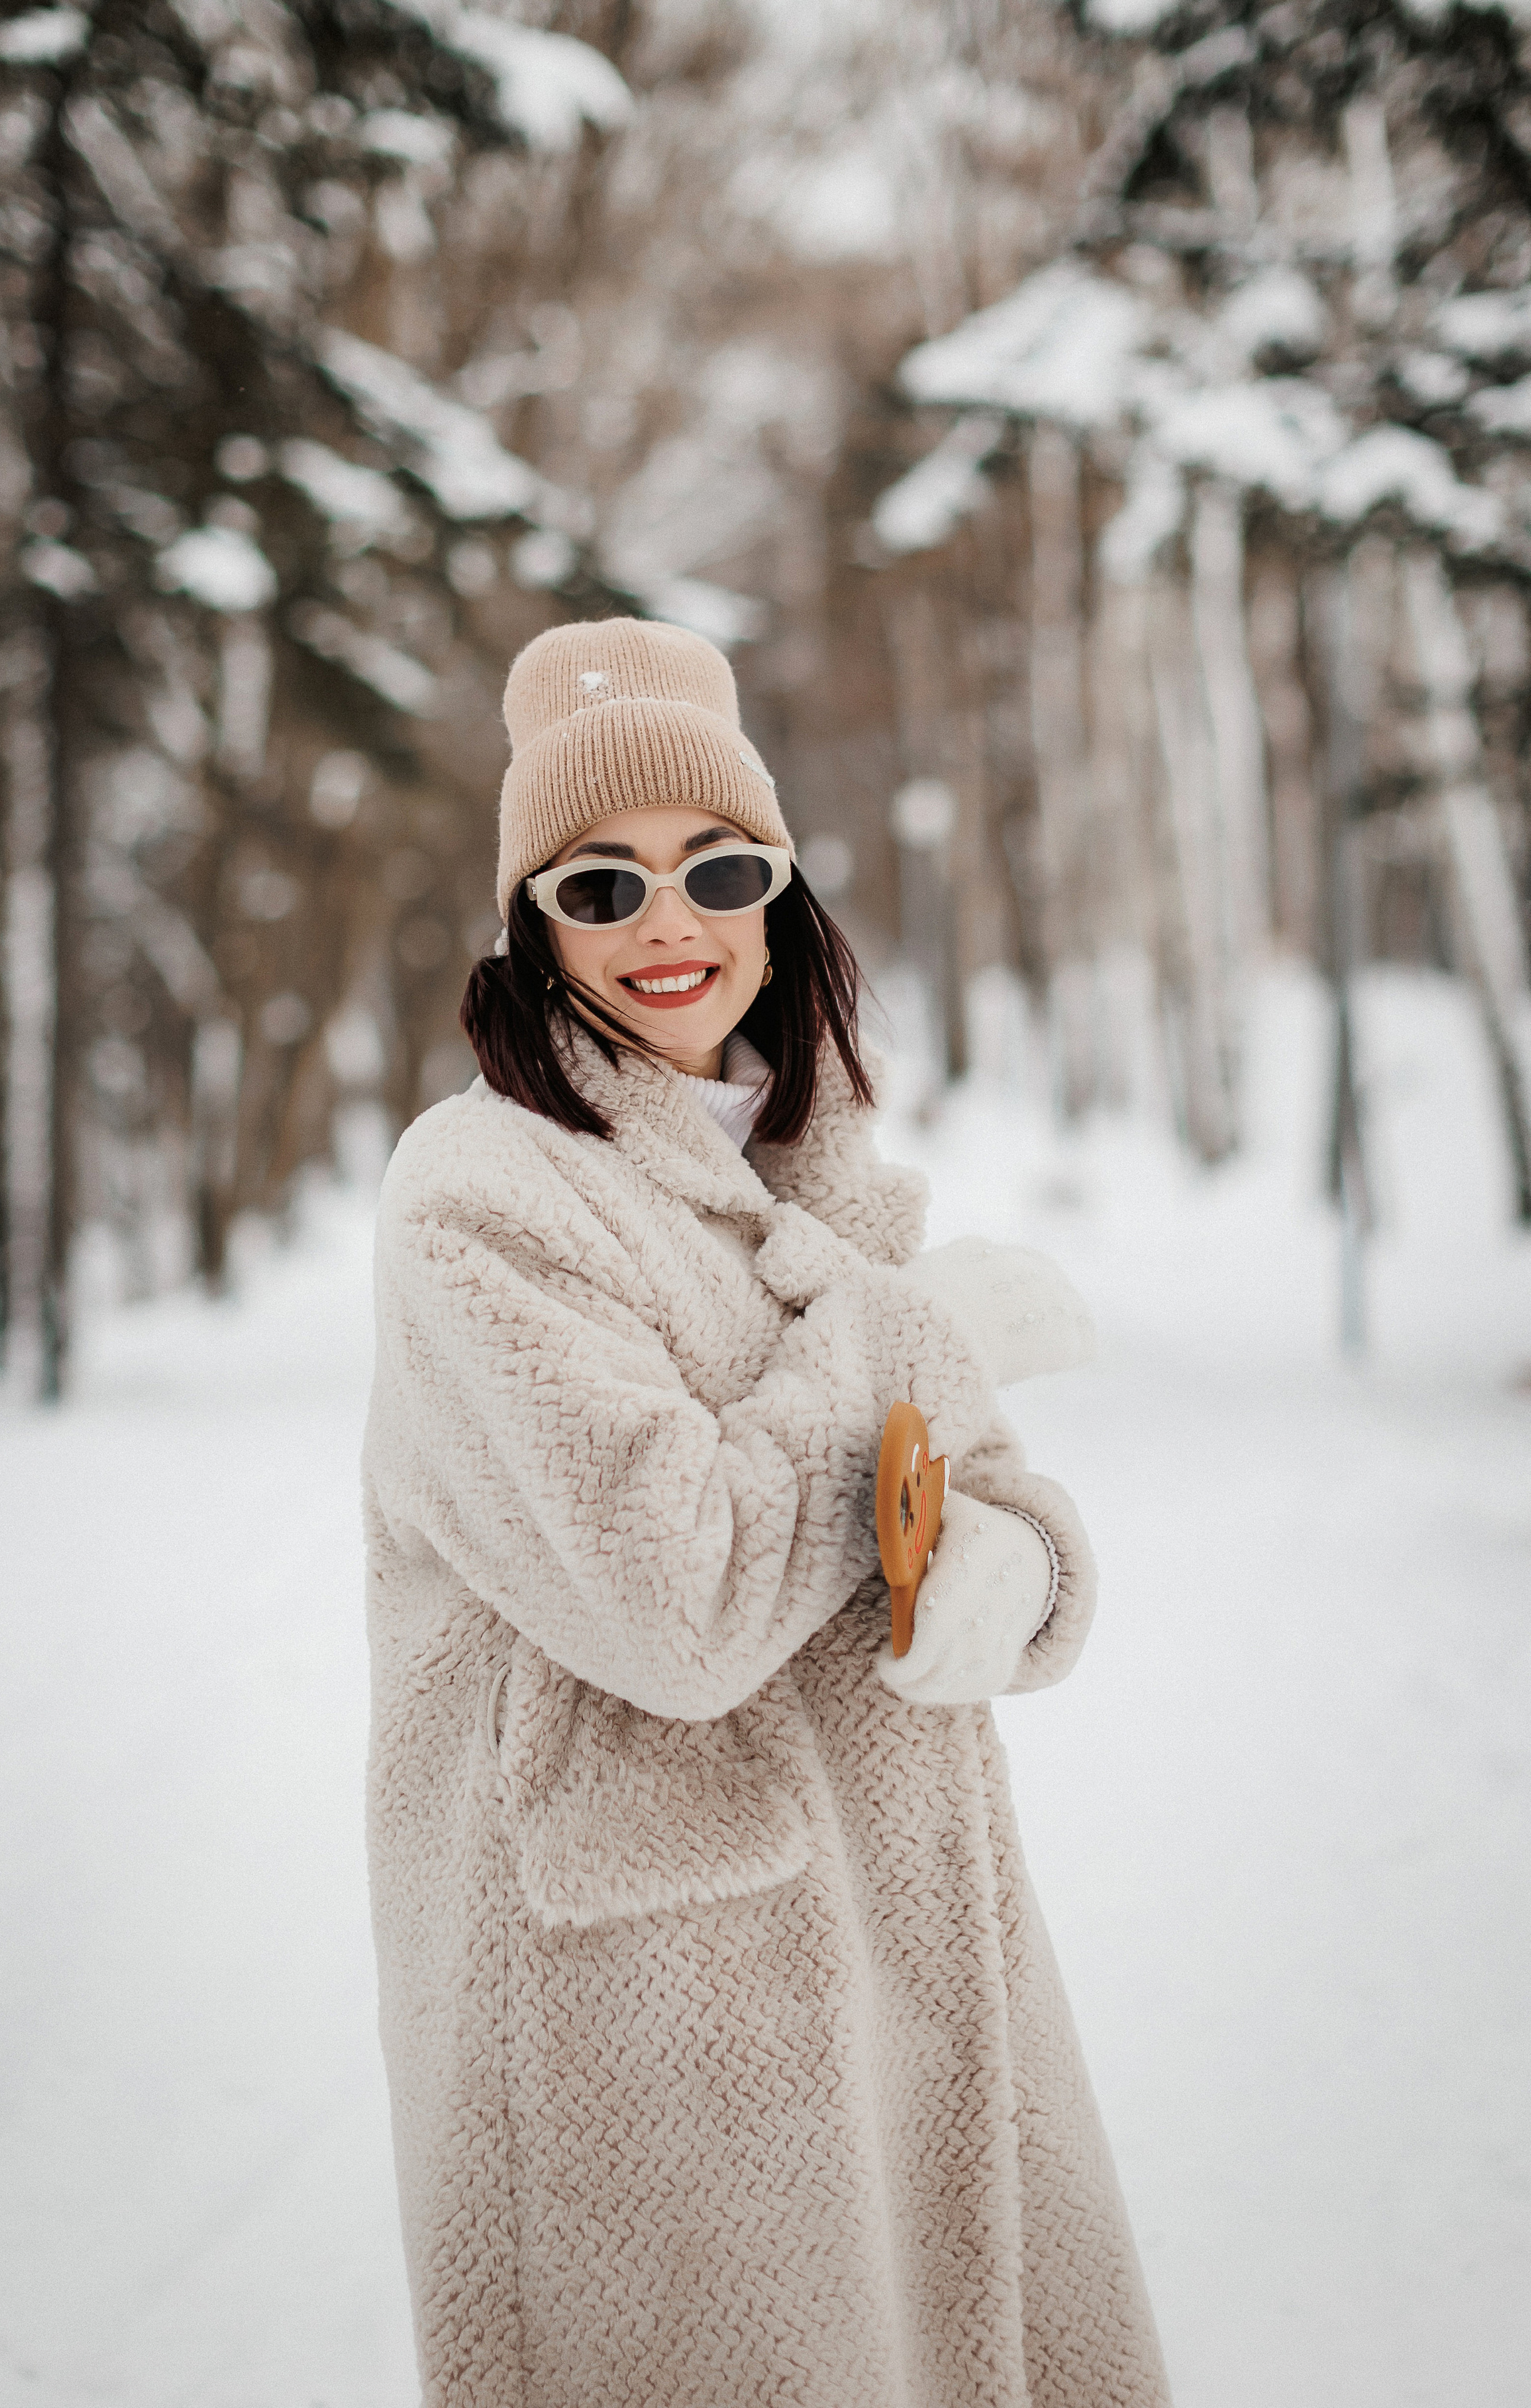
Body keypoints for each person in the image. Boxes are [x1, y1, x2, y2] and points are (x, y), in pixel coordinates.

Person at [361, 616, 1172, 2407]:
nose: (671, 923)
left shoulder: (812, 1168)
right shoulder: (481, 1201)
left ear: (781, 892)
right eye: (601, 882)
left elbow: (950, 1481)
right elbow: (678, 1591)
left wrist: (1025, 1559)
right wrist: (926, 1337)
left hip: (910, 1973)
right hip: (652, 2031)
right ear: (529, 921)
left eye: (720, 867)